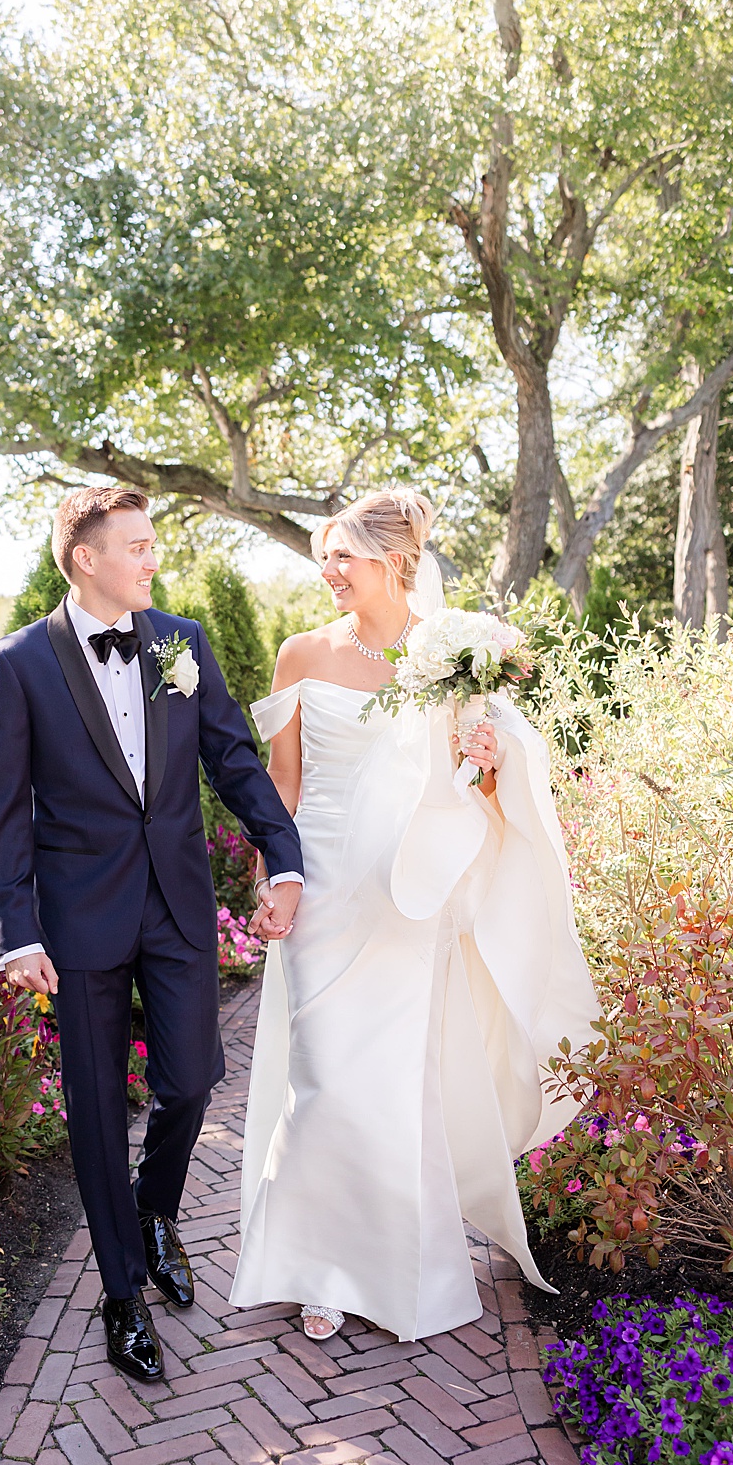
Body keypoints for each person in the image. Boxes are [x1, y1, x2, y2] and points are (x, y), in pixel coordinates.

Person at [230, 491, 595, 1342]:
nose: (329, 571)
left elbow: (482, 788)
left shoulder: (453, 658)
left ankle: (397, 1269)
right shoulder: (301, 652)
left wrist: (488, 760)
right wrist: (273, 874)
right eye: (324, 557)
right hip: (322, 884)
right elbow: (282, 781)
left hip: (407, 896)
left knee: (394, 1082)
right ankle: (317, 1268)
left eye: (343, 557)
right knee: (323, 1078)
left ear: (394, 563)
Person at [0, 486, 304, 1384]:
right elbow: (3, 810)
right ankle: (121, 1294)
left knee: (191, 1080)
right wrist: (15, 931)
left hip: (176, 902)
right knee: (93, 1111)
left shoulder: (179, 643)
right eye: (138, 546)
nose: (153, 559)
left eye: (153, 544)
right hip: (78, 919)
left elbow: (233, 760)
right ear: (86, 558)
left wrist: (283, 858)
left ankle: (155, 1210)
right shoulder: (20, 662)